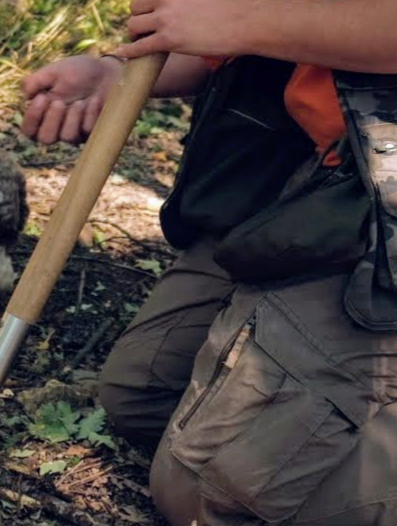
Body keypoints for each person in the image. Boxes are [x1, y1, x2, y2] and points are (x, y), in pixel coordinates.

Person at [21, 1, 397, 525]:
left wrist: (243, 19)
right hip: (308, 177)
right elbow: (237, 44)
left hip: (379, 200)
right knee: (143, 395)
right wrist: (120, 70)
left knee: (208, 497)